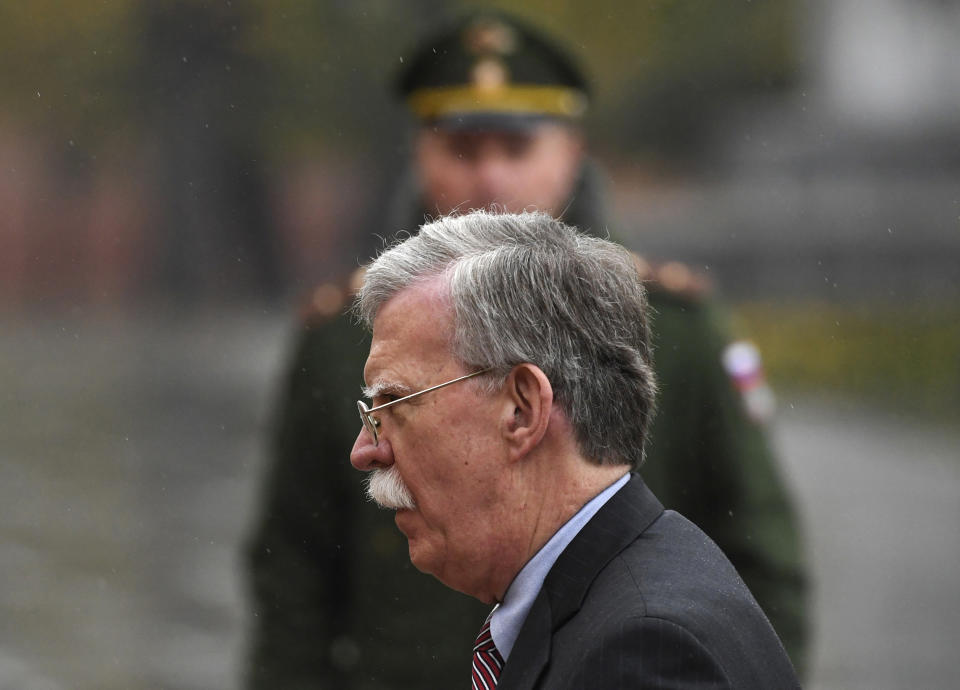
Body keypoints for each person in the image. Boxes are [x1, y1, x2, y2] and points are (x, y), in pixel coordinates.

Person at [244, 11, 808, 689]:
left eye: (515, 148)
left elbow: (757, 559)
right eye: (462, 149)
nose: (489, 178)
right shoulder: (342, 333)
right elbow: (293, 576)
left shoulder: (680, 328)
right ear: (419, 152)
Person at [349, 209, 800, 689]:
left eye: (395, 402)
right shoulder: (630, 595)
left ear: (521, 410)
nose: (365, 450)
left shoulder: (641, 655)